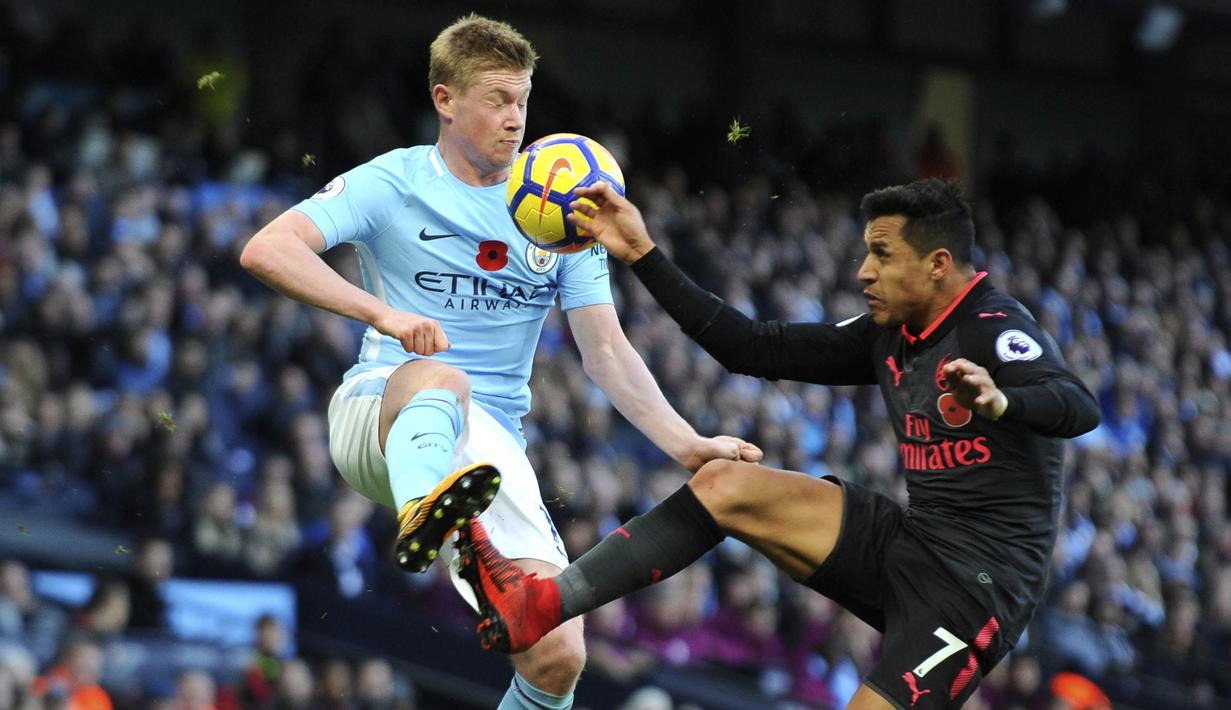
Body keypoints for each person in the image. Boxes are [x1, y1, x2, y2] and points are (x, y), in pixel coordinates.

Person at [240, 14, 758, 710]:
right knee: (444, 379)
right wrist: (381, 314)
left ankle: (447, 509)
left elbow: (604, 351)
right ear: (445, 100)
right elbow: (266, 249)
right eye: (495, 99)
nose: (514, 119)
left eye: (521, 100)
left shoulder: (561, 214)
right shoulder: (392, 181)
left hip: (488, 451)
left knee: (556, 652)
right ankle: (426, 502)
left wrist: (685, 441)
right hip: (380, 414)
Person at [458, 178, 1101, 709]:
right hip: (910, 541)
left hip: (975, 592)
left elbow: (1078, 405)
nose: (863, 270)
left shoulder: (995, 328)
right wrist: (642, 254)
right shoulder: (890, 331)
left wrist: (1003, 399)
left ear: (937, 265)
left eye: (881, 253)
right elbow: (747, 346)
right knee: (723, 483)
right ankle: (539, 606)